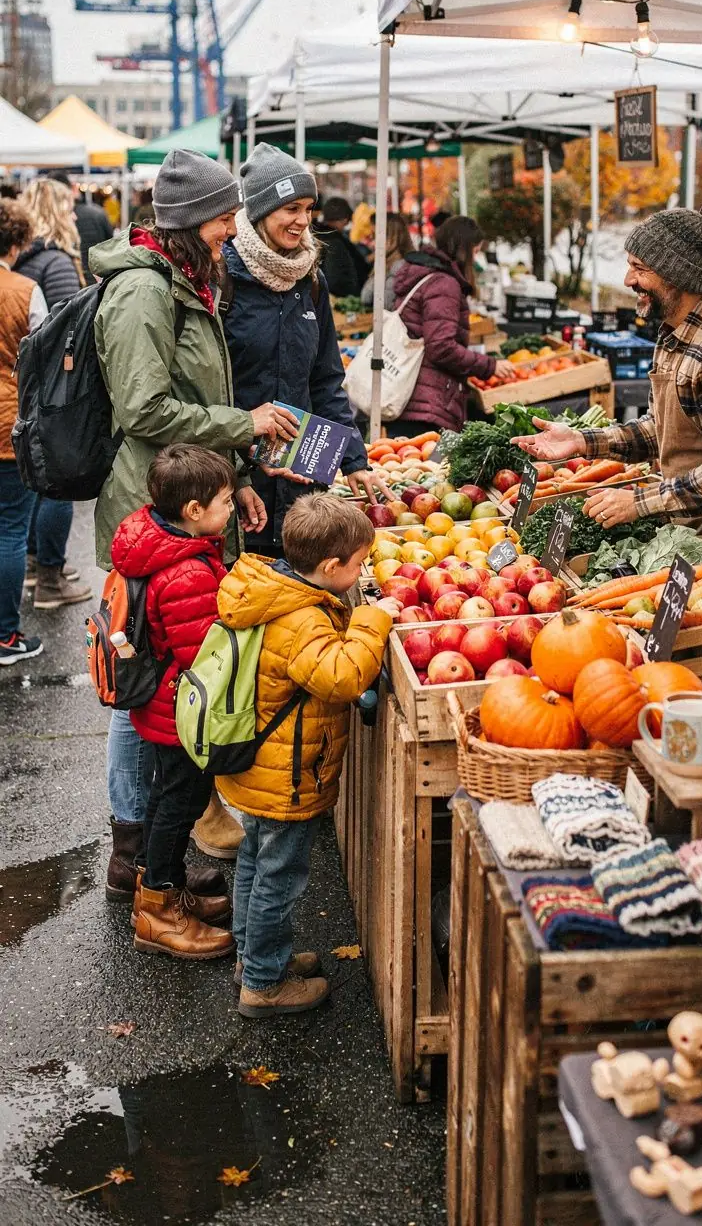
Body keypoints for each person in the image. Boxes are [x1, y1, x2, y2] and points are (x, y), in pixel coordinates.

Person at [90, 148, 290, 899]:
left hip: (183, 499)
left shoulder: (186, 280)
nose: (234, 228)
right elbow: (143, 409)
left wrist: (231, 480)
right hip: (147, 512)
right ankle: (134, 853)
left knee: (166, 674)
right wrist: (242, 425)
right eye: (225, 216)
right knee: (140, 680)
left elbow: (190, 394)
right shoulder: (143, 292)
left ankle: (159, 851)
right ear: (189, 220)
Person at [512, 203, 702, 565]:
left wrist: (641, 503)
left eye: (639, 269)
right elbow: (661, 430)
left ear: (675, 275)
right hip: (695, 527)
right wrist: (582, 442)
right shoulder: (675, 334)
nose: (628, 280)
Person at [216, 493, 394, 1017]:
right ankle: (264, 986)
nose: (362, 572)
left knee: (255, 863)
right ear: (333, 567)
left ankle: (253, 959)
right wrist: (373, 621)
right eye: (360, 564)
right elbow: (342, 677)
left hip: (259, 768)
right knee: (279, 877)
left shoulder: (275, 590)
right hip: (287, 775)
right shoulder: (303, 621)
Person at [222, 144, 385, 557]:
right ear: (260, 211)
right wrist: (237, 475)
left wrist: (353, 459)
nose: (303, 221)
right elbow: (204, 389)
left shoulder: (310, 281)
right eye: (291, 208)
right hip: (237, 483)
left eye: (308, 208)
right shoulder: (222, 280)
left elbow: (326, 378)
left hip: (300, 476)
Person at [111, 444, 239, 959]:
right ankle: (159, 913)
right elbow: (204, 654)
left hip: (163, 703)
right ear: (194, 511)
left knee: (170, 800)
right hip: (180, 712)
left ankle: (164, 887)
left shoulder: (160, 541)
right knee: (178, 804)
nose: (231, 509)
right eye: (226, 501)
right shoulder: (185, 572)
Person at [18, 177, 93, 611]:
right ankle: (49, 573)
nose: (73, 215)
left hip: (24, 385)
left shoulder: (20, 261)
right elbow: (71, 331)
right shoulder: (58, 263)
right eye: (67, 208)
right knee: (57, 482)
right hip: (54, 390)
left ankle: (35, 564)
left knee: (32, 481)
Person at [388, 214, 514, 436]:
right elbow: (441, 347)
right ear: (464, 249)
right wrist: (489, 365)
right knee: (428, 466)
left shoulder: (424, 272)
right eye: (475, 252)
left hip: (412, 395)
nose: (476, 260)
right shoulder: (444, 284)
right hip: (427, 403)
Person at [0, 199, 48, 664]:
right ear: (16, 243)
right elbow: (42, 358)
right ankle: (5, 635)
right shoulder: (25, 289)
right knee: (11, 532)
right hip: (9, 423)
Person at [49, 171, 112, 281]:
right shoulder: (97, 213)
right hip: (96, 281)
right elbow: (111, 245)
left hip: (66, 280)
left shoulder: (48, 220)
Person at [313, 194, 370, 295]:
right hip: (342, 297)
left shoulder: (316, 235)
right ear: (343, 219)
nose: (346, 225)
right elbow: (335, 278)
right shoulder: (335, 241)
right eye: (346, 221)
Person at [360, 212, 412, 311]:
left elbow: (381, 304)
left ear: (393, 237)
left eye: (375, 235)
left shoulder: (400, 268)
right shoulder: (387, 264)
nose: (372, 240)